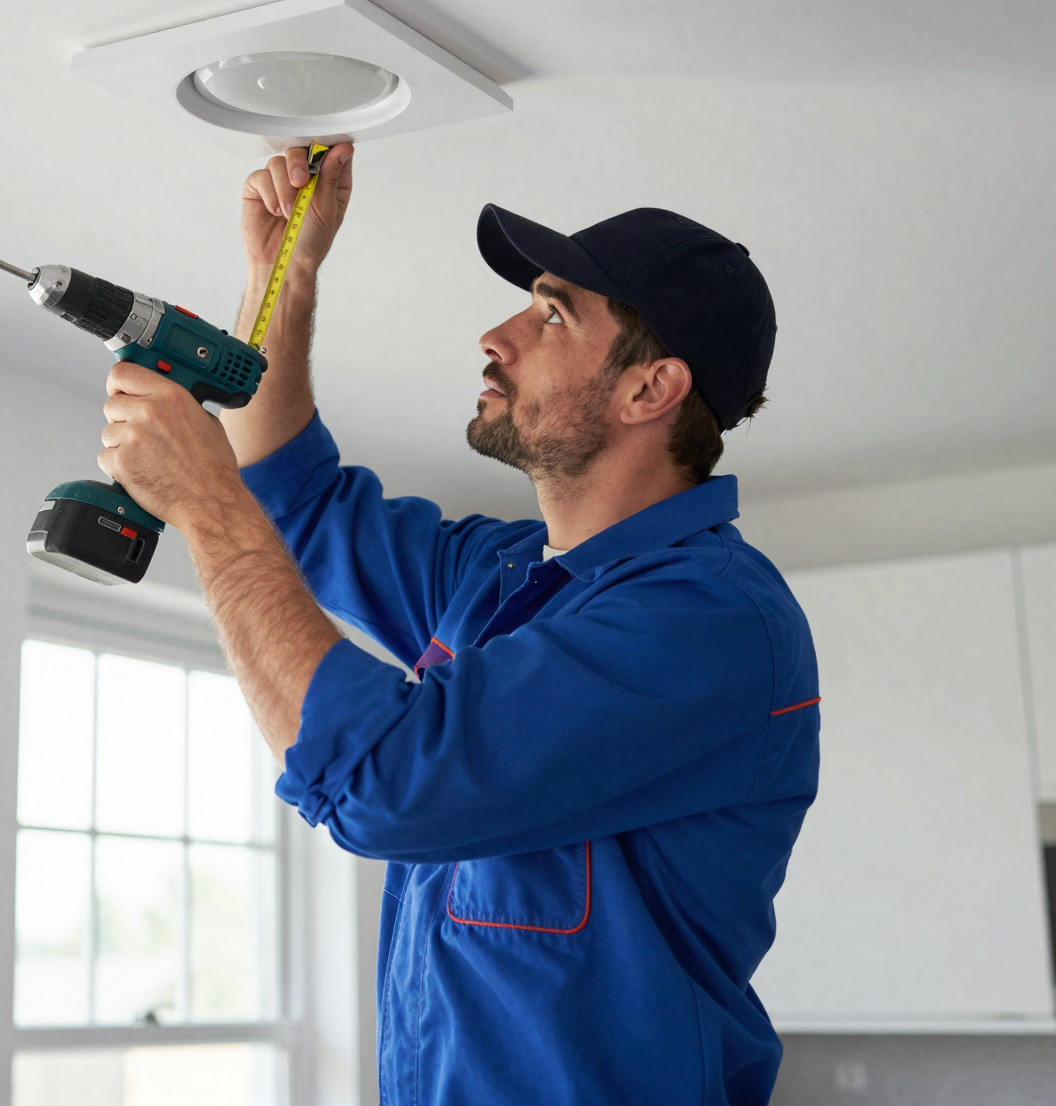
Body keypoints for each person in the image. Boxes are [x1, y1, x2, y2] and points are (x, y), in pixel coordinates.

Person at [97, 143, 819, 1104]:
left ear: (651, 389)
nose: (497, 334)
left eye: (552, 314)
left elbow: (384, 784)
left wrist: (205, 500)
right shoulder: (498, 573)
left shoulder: (708, 621)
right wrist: (283, 279)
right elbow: (296, 499)